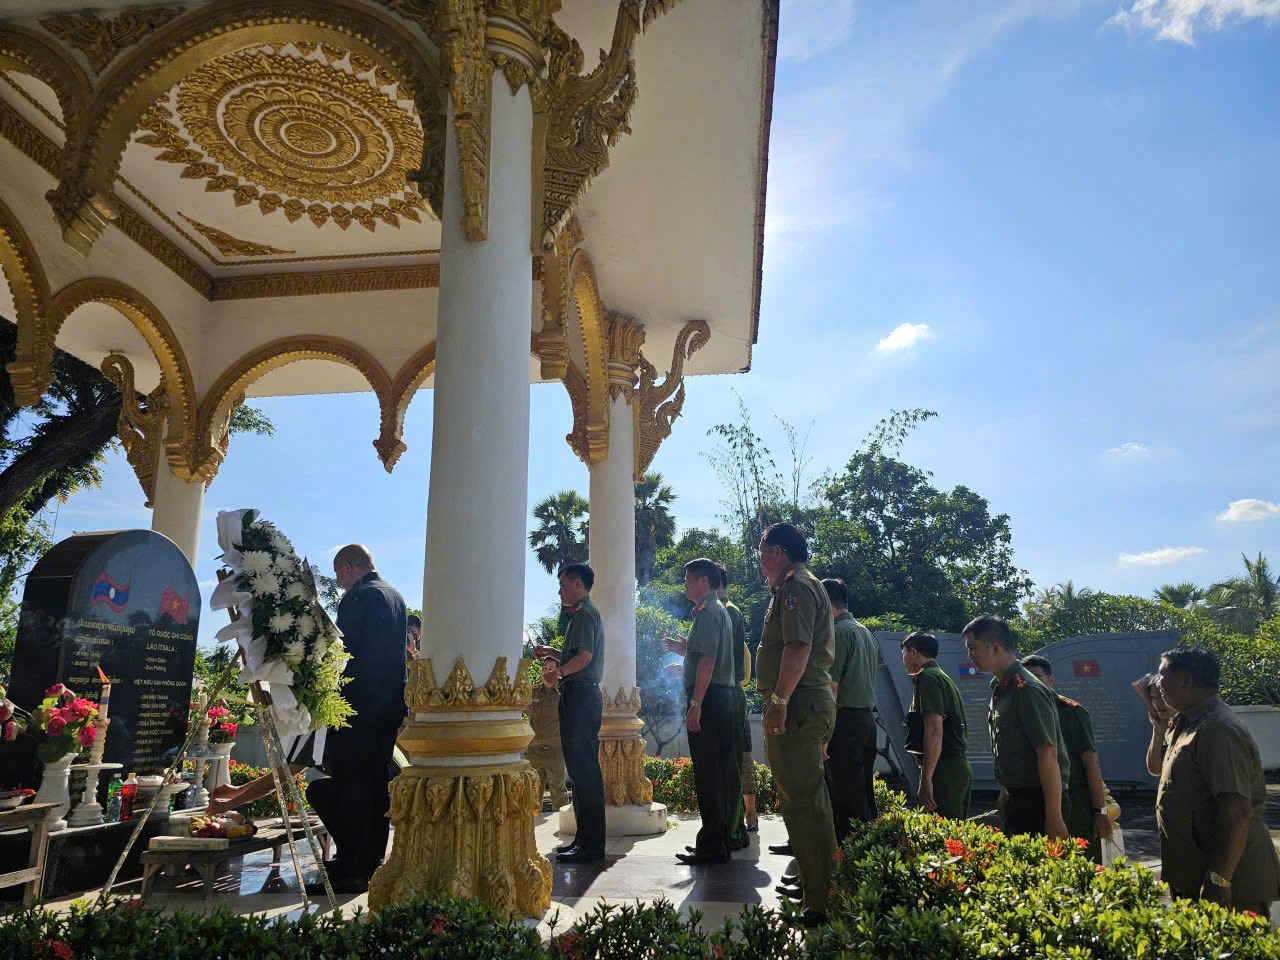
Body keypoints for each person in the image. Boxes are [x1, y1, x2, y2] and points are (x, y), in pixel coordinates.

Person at [297, 544, 407, 894]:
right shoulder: (395, 596)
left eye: (337, 574)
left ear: (347, 567)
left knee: (352, 786)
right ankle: (366, 862)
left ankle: (353, 866)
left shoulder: (359, 597)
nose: (339, 582)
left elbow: (340, 654)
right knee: (372, 785)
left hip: (357, 707)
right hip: (386, 709)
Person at [1152, 647, 1280, 915]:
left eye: (1162, 675)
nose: (1157, 682)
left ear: (1186, 680)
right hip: (1193, 873)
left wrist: (1219, 879)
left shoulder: (1217, 728)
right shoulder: (1187, 723)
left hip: (1228, 881)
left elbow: (1236, 810)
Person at [756, 522, 837, 927]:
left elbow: (798, 648)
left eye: (761, 550)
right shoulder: (791, 587)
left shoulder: (796, 588)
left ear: (778, 552)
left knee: (804, 804)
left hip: (799, 704)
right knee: (804, 800)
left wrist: (778, 701)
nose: (759, 558)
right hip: (802, 703)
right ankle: (816, 888)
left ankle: (821, 900)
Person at [962, 614, 1069, 839]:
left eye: (972, 648)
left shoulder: (1027, 690)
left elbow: (1048, 754)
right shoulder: (1002, 688)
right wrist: (1005, 794)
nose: (969, 655)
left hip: (1038, 801)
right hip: (1017, 798)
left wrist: (1054, 818)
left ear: (995, 647)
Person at [664, 558, 739, 865]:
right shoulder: (714, 611)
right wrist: (686, 651)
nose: (685, 584)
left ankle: (712, 846)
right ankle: (716, 842)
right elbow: (703, 656)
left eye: (688, 579)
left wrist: (696, 703)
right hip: (720, 698)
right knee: (715, 774)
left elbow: (708, 662)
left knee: (709, 775)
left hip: (711, 700)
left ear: (703, 581)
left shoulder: (708, 613)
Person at [542, 563, 607, 863]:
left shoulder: (583, 614)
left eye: (563, 585)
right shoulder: (583, 614)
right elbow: (576, 655)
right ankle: (584, 841)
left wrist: (557, 673)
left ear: (578, 584)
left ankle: (590, 845)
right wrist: (552, 653)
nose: (560, 591)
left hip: (580, 696)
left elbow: (584, 658)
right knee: (580, 773)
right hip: (581, 694)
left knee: (584, 772)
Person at [1023, 655, 1114, 860]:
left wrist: (1100, 812)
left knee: (1079, 860)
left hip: (1073, 802)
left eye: (1037, 678)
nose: (1032, 684)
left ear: (1050, 680)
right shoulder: (1021, 710)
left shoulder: (1071, 712)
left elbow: (1091, 762)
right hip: (1033, 800)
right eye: (1026, 679)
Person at [821, 578, 880, 841]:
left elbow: (831, 688)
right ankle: (867, 851)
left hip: (843, 723)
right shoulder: (865, 632)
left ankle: (845, 856)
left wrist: (825, 735)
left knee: (844, 796)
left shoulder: (838, 633)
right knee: (863, 793)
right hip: (866, 720)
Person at [901, 630, 972, 820]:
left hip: (944, 770)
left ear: (913, 652)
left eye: (904, 653)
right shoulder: (940, 676)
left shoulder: (928, 678)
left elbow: (934, 729)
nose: (903, 660)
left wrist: (926, 778)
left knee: (942, 833)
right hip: (953, 766)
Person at [718, 563, 757, 844]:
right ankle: (733, 824)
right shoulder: (718, 612)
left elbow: (727, 663)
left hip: (730, 698)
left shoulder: (728, 612)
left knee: (739, 762)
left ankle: (741, 822)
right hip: (727, 697)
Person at [528, 656, 570, 810]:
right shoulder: (531, 692)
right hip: (534, 750)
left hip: (555, 750)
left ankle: (563, 822)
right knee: (532, 793)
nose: (547, 672)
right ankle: (531, 824)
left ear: (557, 673)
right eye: (544, 668)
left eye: (551, 669)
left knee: (559, 792)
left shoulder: (563, 694)